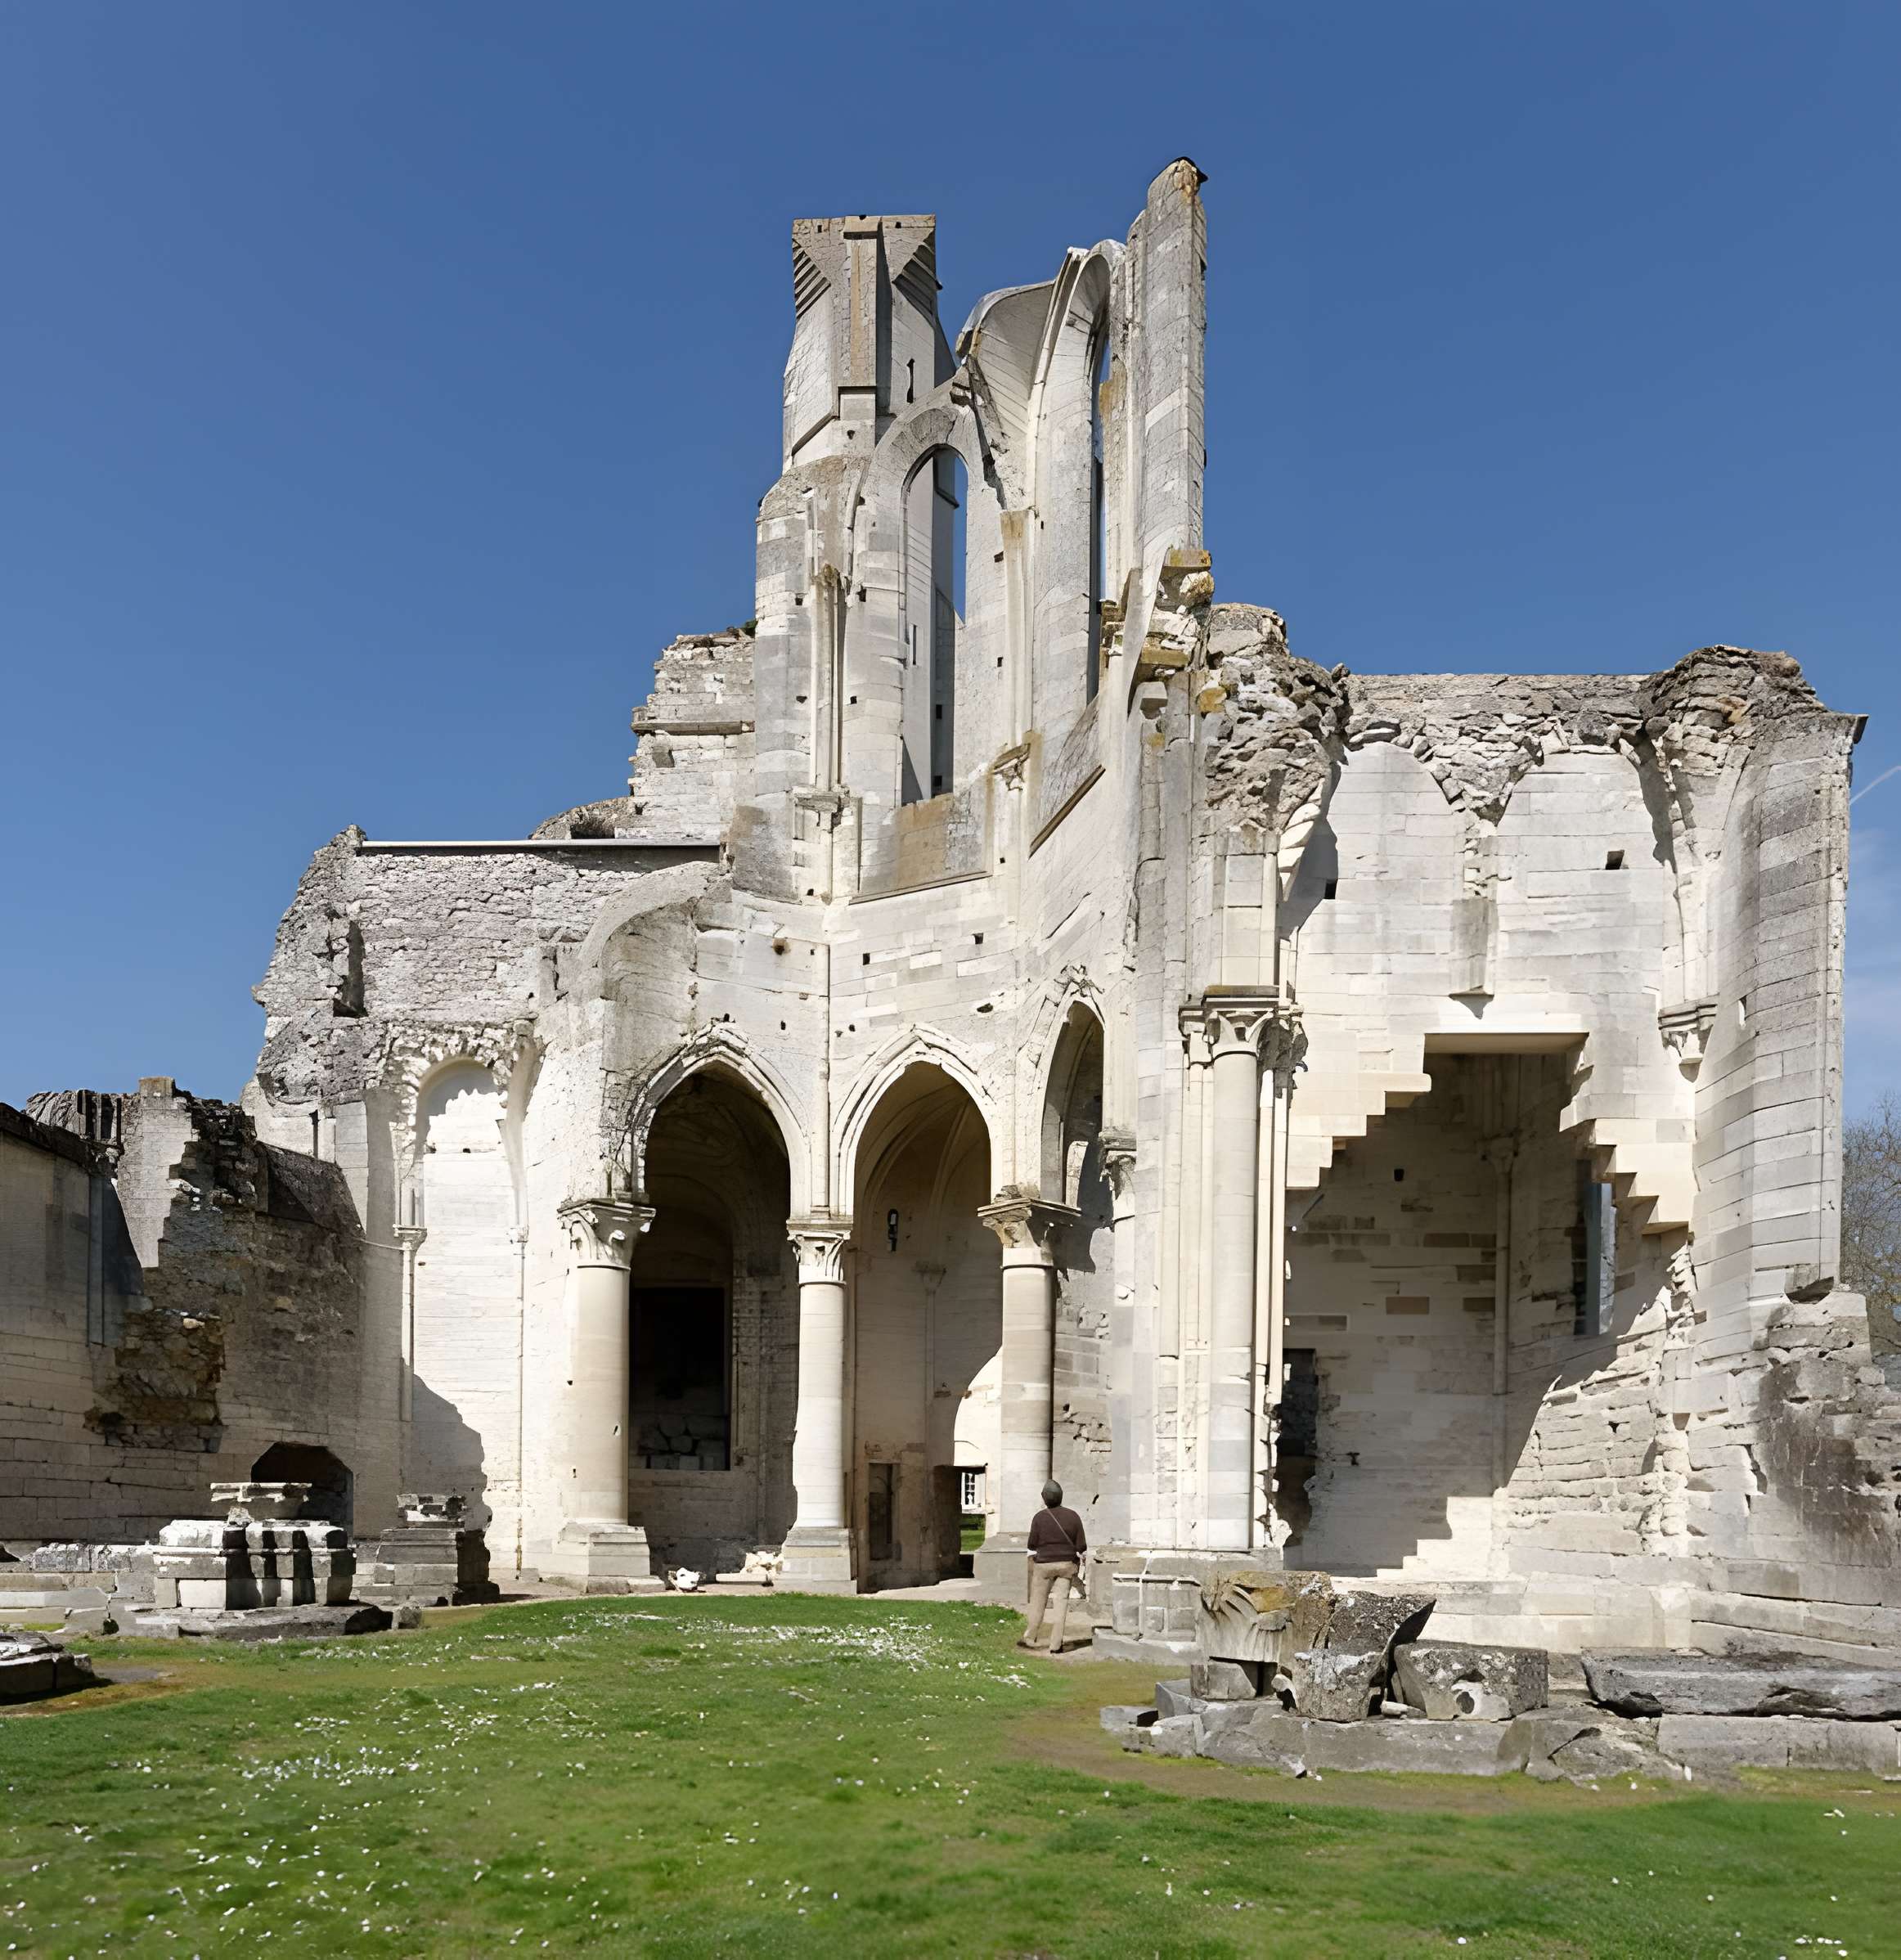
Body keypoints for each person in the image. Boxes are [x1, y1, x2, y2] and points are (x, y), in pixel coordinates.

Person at [1017, 1479, 1087, 1654]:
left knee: (1038, 1602)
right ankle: (1056, 1645)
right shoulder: (1073, 1516)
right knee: (1061, 1604)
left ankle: (1030, 1637)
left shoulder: (1039, 1517)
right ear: (1061, 1497)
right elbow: (1081, 1546)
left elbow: (1032, 1544)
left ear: (1044, 1498)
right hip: (1066, 1565)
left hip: (1044, 1565)